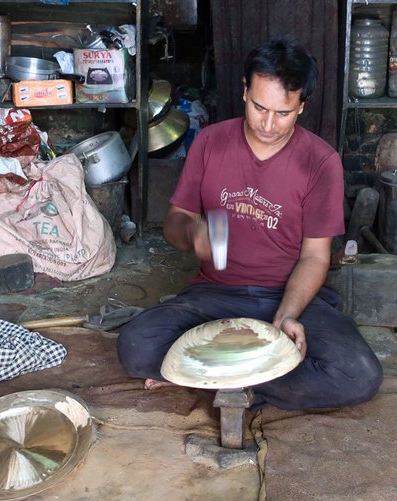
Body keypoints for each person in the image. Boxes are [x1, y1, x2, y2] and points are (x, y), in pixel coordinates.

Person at [116, 37, 382, 410]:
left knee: (359, 375)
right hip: (215, 295)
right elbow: (177, 222)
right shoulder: (210, 143)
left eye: (284, 113)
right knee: (135, 345)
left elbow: (316, 258)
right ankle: (254, 377)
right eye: (260, 107)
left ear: (302, 106)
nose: (269, 124)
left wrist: (288, 314)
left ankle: (221, 381)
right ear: (244, 91)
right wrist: (193, 235)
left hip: (288, 296)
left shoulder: (321, 161)